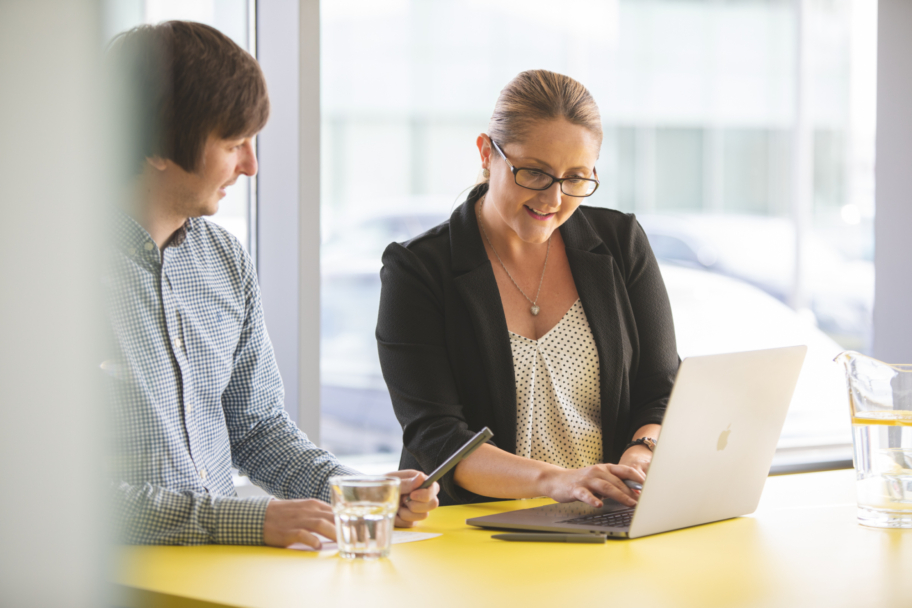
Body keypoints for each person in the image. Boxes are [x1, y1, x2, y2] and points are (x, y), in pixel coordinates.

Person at [104, 21, 438, 548]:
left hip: (218, 582)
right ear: (157, 145)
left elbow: (257, 430)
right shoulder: (43, 275)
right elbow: (48, 490)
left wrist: (356, 491)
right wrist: (249, 522)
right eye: (234, 143)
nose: (252, 166)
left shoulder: (224, 260)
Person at [377, 70, 679, 507]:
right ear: (487, 154)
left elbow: (662, 388)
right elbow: (437, 435)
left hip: (602, 519)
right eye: (535, 173)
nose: (554, 199)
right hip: (472, 533)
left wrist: (642, 450)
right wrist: (558, 481)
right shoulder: (418, 269)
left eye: (576, 178)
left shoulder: (620, 244)